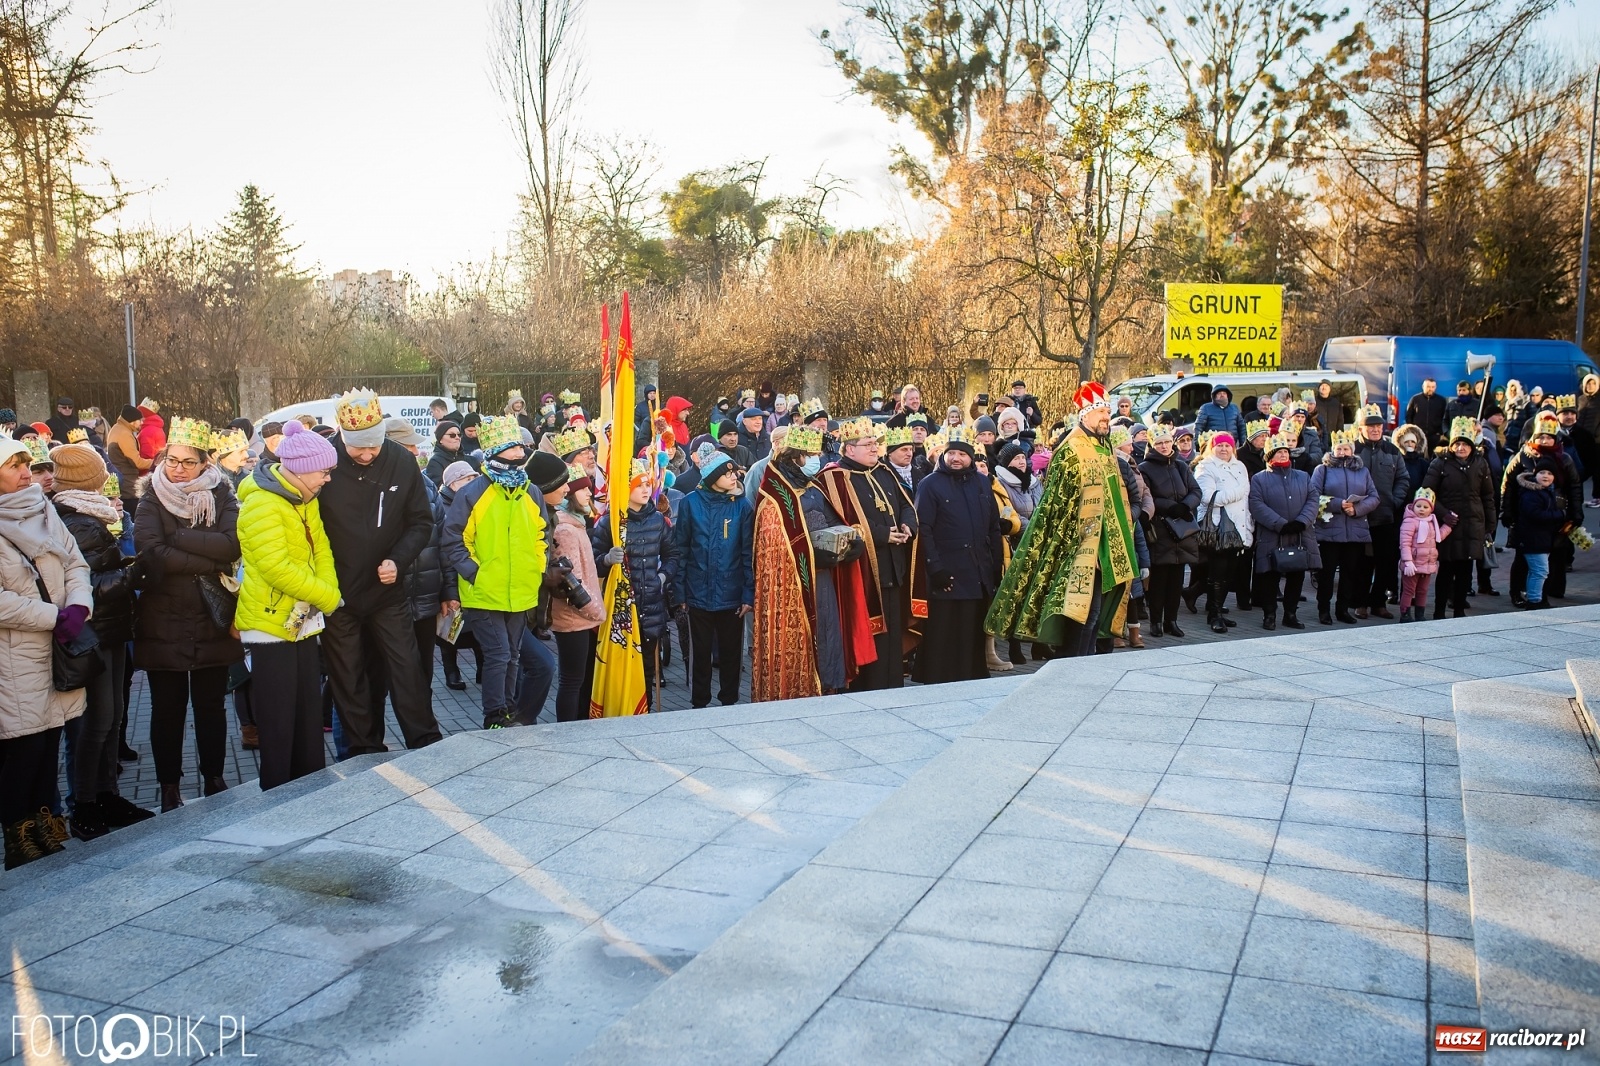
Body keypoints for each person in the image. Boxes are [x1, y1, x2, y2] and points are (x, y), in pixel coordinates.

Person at [317, 390, 443, 754]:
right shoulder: (325, 461)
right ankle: (362, 749)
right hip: (337, 593)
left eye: (374, 446)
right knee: (349, 676)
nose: (368, 455)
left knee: (407, 668)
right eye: (359, 449)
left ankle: (425, 742)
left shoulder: (401, 463)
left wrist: (398, 560)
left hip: (387, 590)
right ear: (342, 436)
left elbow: (421, 522)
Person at [132, 416, 244, 811]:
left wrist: (177, 537)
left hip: (212, 615)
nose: (177, 469)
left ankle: (214, 777)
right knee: (167, 711)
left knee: (211, 707)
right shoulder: (150, 497)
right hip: (164, 618)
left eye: (187, 462)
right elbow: (150, 551)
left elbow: (231, 547)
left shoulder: (224, 495)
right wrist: (203, 556)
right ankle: (168, 788)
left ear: (205, 463)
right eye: (171, 460)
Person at [988, 383, 1139, 657]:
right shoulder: (1071, 450)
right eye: (1102, 411)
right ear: (1085, 414)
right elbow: (1056, 505)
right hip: (1078, 546)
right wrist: (1072, 543)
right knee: (1081, 615)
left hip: (1106, 546)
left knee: (1094, 614)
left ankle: (1085, 663)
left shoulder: (1104, 449)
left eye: (1108, 410)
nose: (1107, 416)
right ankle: (1070, 666)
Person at [47, 444, 149, 840]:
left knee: (114, 717)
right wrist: (133, 575)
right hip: (92, 633)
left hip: (111, 629)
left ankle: (108, 794)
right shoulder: (77, 521)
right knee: (96, 723)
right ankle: (86, 803)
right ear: (88, 479)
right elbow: (82, 585)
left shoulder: (93, 514)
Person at [0, 434, 92, 868]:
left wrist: (78, 605)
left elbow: (75, 562)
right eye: (13, 466)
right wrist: (51, 616)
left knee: (50, 744)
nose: (25, 473)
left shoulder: (42, 507)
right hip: (14, 660)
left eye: (26, 464)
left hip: (58, 653)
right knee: (23, 755)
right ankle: (20, 846)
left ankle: (49, 837)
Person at [235, 421, 342, 789]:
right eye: (324, 471)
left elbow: (322, 548)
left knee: (307, 715)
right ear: (300, 468)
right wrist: (328, 597)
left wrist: (326, 588)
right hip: (269, 625)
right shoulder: (262, 503)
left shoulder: (304, 498)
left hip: (302, 620)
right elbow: (274, 567)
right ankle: (277, 794)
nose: (328, 479)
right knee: (280, 721)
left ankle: (310, 788)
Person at [443, 415, 550, 729]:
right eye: (514, 447)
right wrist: (474, 572)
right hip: (484, 592)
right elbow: (453, 537)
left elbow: (542, 535)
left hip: (520, 590)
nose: (520, 453)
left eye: (520, 446)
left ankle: (508, 711)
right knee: (499, 653)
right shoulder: (473, 493)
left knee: (513, 654)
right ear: (496, 451)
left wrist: (536, 568)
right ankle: (495, 715)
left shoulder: (531, 492)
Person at [751, 426, 872, 699]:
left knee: (828, 634)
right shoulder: (774, 496)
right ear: (796, 457)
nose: (816, 459)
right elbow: (774, 548)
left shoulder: (814, 486)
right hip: (793, 589)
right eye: (812, 454)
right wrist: (812, 554)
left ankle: (827, 687)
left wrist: (852, 542)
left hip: (824, 579)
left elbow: (834, 520)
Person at [821, 418, 919, 691]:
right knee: (870, 636)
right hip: (863, 571)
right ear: (849, 449)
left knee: (892, 636)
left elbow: (905, 504)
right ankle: (867, 691)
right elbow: (843, 520)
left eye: (875, 443)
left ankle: (892, 687)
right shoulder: (835, 477)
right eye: (868, 444)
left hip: (893, 566)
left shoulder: (884, 471)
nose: (875, 449)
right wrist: (883, 535)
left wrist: (907, 525)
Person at [911, 427, 1002, 682]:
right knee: (944, 631)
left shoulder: (983, 482)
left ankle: (970, 677)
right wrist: (935, 568)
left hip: (977, 570)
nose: (956, 458)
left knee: (972, 629)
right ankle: (937, 680)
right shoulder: (930, 484)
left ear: (971, 458)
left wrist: (995, 564)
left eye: (962, 454)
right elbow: (923, 529)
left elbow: (993, 526)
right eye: (952, 453)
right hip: (946, 571)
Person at [592, 458, 681, 709]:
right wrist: (607, 559)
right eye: (638, 485)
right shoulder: (609, 522)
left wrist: (663, 577)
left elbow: (673, 555)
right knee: (620, 665)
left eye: (647, 485)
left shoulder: (658, 520)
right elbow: (593, 561)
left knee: (647, 671)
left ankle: (646, 713)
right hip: (620, 609)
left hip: (651, 604)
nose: (645, 490)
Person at [674, 445, 756, 707]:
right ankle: (699, 702)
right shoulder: (690, 504)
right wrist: (680, 593)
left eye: (734, 473)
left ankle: (729, 701)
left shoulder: (742, 507)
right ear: (711, 477)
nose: (734, 477)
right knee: (700, 652)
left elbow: (747, 554)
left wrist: (748, 593)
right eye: (727, 473)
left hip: (732, 594)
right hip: (698, 592)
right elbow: (681, 550)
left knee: (732, 653)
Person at [1500, 411, 1582, 607]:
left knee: (1554, 553)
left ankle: (1546, 591)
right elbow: (1507, 483)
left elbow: (1574, 486)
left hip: (1555, 513)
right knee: (1522, 556)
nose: (1545, 440)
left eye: (1549, 437)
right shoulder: (1522, 456)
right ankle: (1517, 592)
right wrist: (1506, 511)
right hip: (1526, 514)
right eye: (1541, 436)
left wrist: (1575, 513)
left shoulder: (1565, 458)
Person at [545, 463, 605, 721]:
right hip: (574, 618)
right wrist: (595, 611)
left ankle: (577, 725)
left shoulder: (576, 525)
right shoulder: (566, 530)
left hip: (581, 617)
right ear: (569, 495)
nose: (590, 494)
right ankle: (567, 729)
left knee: (578, 679)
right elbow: (571, 582)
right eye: (583, 491)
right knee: (572, 680)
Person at [1422, 418, 1497, 619]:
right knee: (1446, 569)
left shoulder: (1481, 463)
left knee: (1466, 569)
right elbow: (1427, 492)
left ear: (1472, 445)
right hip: (1448, 524)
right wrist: (1442, 513)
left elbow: (1487, 495)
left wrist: (1491, 523)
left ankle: (1459, 608)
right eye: (1457, 443)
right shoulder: (1440, 463)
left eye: (1465, 444)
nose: (1461, 447)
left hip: (1473, 523)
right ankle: (1439, 610)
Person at [1249, 433, 1318, 630]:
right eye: (1278, 452)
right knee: (1270, 577)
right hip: (1272, 534)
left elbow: (1313, 500)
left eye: (1285, 452)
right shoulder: (1259, 479)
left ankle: (1290, 614)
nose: (1283, 455)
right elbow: (1256, 504)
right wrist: (1280, 524)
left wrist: (1301, 522)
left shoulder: (1303, 476)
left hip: (1299, 534)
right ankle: (1269, 614)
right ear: (1270, 456)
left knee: (1296, 576)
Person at [1309, 431, 1379, 625]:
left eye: (1346, 448)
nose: (1342, 452)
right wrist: (1339, 504)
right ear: (1333, 449)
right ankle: (1324, 610)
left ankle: (1342, 610)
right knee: (1327, 573)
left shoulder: (1362, 471)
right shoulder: (1322, 470)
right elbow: (1313, 496)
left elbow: (1374, 497)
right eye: (1339, 448)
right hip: (1330, 529)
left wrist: (1356, 509)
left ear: (1352, 450)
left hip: (1355, 530)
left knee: (1349, 573)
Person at [1140, 422, 1202, 637]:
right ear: (1152, 445)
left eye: (1167, 442)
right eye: (1159, 443)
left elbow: (1195, 490)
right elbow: (1147, 497)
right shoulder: (1145, 468)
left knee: (1176, 580)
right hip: (1161, 528)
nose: (1164, 446)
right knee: (1159, 580)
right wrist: (1169, 506)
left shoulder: (1181, 466)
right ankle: (1156, 621)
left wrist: (1186, 505)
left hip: (1182, 529)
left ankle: (1172, 621)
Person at [1193, 433, 1254, 635]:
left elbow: (1245, 500)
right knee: (1217, 573)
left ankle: (1214, 607)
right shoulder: (1206, 467)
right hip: (1220, 528)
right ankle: (1215, 614)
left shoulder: (1239, 466)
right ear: (1212, 447)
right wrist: (1240, 490)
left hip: (1239, 527)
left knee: (1229, 573)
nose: (1224, 449)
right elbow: (1208, 497)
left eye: (1227, 446)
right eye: (1219, 446)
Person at [1352, 405, 1410, 618]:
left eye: (1378, 426)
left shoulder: (1392, 450)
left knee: (1385, 563)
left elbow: (1403, 478)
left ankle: (1378, 603)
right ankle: (1360, 603)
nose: (1375, 429)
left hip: (1386, 517)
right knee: (1361, 565)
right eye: (1370, 426)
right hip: (1359, 518)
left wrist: (1394, 501)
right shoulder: (1352, 449)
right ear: (1361, 428)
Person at [437, 461, 481, 690]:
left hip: (471, 573)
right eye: (468, 480)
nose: (474, 484)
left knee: (478, 625)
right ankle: (451, 671)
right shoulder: (444, 508)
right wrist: (450, 589)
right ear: (454, 484)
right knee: (450, 627)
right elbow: (445, 553)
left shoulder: (474, 503)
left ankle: (483, 669)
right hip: (452, 575)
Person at [1510, 467, 1566, 610]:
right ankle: (1534, 601)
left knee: (1536, 571)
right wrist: (1559, 514)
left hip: (1541, 538)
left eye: (1550, 473)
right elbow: (1535, 515)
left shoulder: (1545, 491)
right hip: (1532, 538)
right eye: (1542, 473)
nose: (1546, 476)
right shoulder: (1531, 494)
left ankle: (1534, 598)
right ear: (1535, 475)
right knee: (1540, 571)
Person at [1398, 488, 1447, 622]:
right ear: (1413, 506)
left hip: (1427, 564)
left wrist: (1448, 527)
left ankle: (1420, 614)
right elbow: (1405, 543)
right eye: (1418, 506)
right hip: (1412, 564)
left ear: (1431, 509)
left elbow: (1438, 536)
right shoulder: (1409, 522)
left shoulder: (1432, 522)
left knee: (1423, 591)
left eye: (1425, 507)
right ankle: (1405, 614)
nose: (1421, 509)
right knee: (1409, 591)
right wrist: (1407, 561)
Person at [1393, 424, 1431, 504]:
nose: (1410, 444)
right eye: (1406, 442)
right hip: (1399, 502)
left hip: (1418, 503)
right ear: (1400, 443)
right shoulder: (1396, 462)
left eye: (1413, 442)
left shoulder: (1423, 463)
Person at [1406, 379, 1448, 449]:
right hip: (1418, 434)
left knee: (1433, 457)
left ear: (1435, 387)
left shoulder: (1441, 401)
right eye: (1428, 386)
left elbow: (1444, 417)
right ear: (1423, 386)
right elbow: (1409, 416)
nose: (1430, 389)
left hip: (1435, 436)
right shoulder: (1415, 399)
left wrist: (1440, 433)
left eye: (1432, 387)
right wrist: (1412, 430)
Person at [425, 420, 467, 485]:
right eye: (452, 435)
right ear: (440, 439)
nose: (457, 437)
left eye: (459, 435)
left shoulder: (472, 460)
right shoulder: (435, 462)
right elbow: (438, 489)